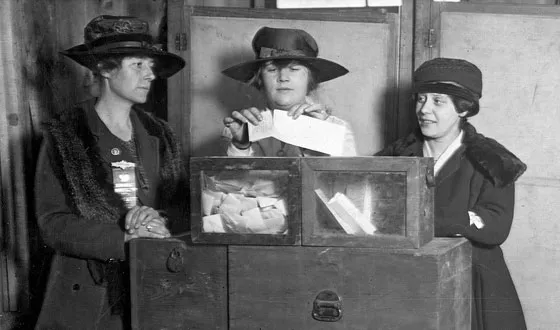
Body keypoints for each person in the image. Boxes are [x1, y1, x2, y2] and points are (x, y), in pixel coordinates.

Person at [34, 15, 187, 329]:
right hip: (89, 296)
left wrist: (157, 221)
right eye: (137, 65)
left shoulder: (160, 134)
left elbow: (181, 208)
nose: (150, 75)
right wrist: (124, 238)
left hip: (155, 285)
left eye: (150, 66)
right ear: (104, 69)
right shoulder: (66, 135)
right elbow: (51, 224)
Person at [376, 57, 527, 329]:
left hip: (471, 279)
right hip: (405, 272)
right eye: (421, 99)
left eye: (438, 101)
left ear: (464, 110)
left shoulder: (492, 159)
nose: (424, 110)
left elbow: (495, 226)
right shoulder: (396, 155)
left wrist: (424, 220)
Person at [221, 26, 357, 157]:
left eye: (294, 69)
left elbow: (347, 178)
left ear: (310, 79)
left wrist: (319, 135)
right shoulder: (239, 130)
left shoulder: (336, 129)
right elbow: (229, 180)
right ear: (260, 79)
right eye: (272, 70)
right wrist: (241, 146)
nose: (283, 78)